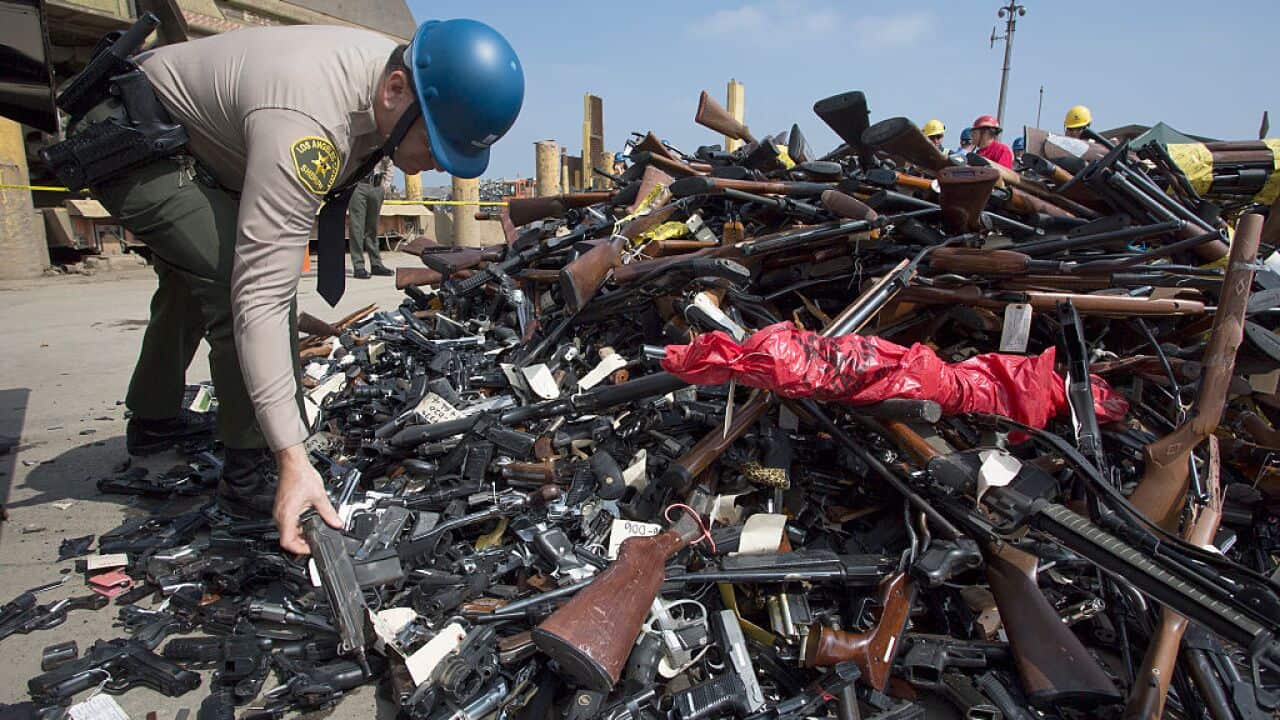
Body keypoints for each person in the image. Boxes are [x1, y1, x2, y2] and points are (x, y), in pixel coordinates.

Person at [54, 19, 524, 554]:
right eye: (435, 143)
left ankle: (155, 419)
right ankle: (253, 481)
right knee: (232, 281)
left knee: (196, 274)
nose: (439, 162)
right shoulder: (310, 119)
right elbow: (259, 293)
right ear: (396, 90)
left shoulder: (393, 78)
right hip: (134, 139)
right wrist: (293, 455)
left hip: (186, 137)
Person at [347, 156, 393, 279]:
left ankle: (376, 264)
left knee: (373, 227)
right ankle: (359, 266)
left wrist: (385, 186)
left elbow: (389, 164)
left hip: (377, 186)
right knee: (357, 227)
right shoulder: (358, 142)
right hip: (358, 186)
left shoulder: (382, 142)